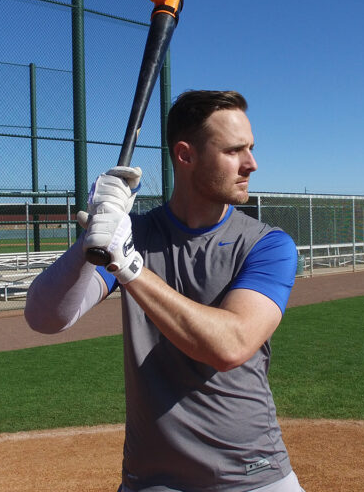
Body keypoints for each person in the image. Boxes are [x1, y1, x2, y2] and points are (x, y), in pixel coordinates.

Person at [25, 90, 304, 492]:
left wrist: (129, 266)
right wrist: (93, 236)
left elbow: (230, 345)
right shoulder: (132, 235)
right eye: (233, 151)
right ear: (185, 156)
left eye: (251, 149)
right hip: (152, 480)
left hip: (252, 474)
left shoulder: (267, 244)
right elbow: (44, 318)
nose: (251, 164)